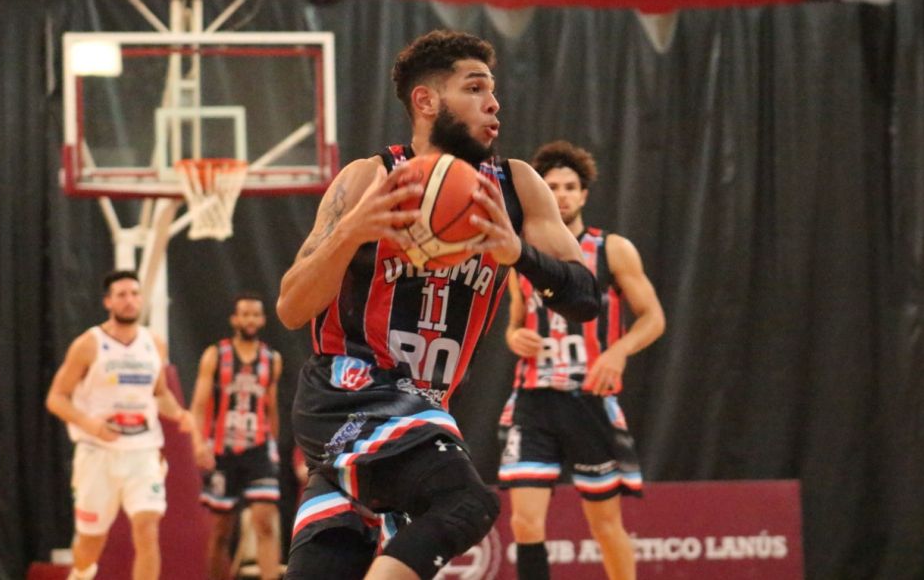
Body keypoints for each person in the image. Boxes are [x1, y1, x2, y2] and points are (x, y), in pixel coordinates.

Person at [276, 30, 602, 580]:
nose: (493, 103)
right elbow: (290, 307)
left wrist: (518, 253)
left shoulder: (516, 187)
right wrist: (351, 231)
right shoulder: (369, 178)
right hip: (348, 391)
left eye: (492, 89)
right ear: (426, 101)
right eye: (474, 88)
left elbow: (585, 299)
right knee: (466, 503)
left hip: (418, 414)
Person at [497, 141, 666, 580]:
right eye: (552, 187)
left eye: (570, 187)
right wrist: (515, 337)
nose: (562, 195)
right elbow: (514, 322)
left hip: (589, 398)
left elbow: (653, 317)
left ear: (584, 194)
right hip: (533, 398)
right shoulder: (522, 255)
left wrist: (618, 352)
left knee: (605, 525)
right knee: (524, 522)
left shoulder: (612, 249)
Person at [45, 270, 195, 580]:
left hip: (143, 451)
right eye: (122, 295)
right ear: (108, 301)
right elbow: (56, 398)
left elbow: (159, 393)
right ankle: (81, 574)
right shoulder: (89, 344)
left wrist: (180, 414)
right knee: (91, 541)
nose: (130, 300)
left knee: (147, 527)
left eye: (135, 294)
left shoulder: (154, 343)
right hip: (97, 451)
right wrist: (91, 424)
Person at [189, 292, 284, 580]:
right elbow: (198, 405)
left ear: (263, 319)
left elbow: (271, 407)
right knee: (221, 531)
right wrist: (198, 443)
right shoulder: (216, 355)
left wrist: (272, 446)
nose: (250, 320)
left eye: (255, 314)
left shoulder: (272, 359)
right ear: (234, 319)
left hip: (259, 448)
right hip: (222, 450)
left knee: (265, 522)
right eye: (245, 314)